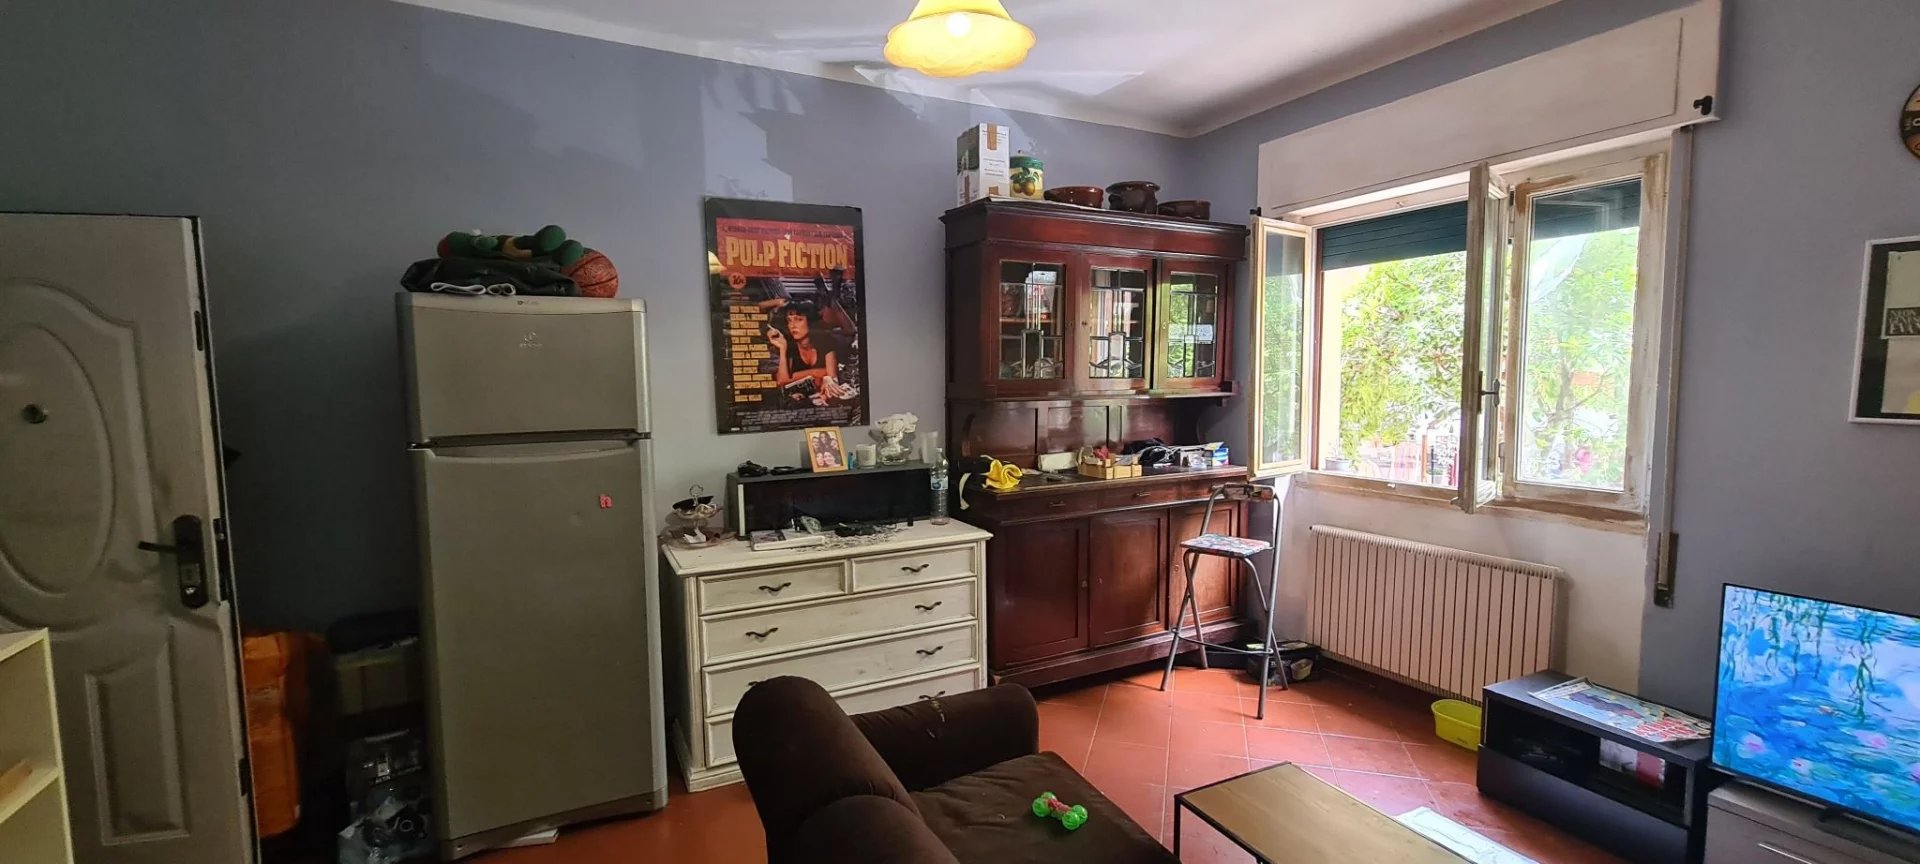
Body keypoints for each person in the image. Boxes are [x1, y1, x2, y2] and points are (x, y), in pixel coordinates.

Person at [769, 301, 852, 400]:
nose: (792, 325)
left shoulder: (825, 340)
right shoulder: (789, 345)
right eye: (789, 320)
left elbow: (832, 378)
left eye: (799, 319)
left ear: (810, 322)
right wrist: (783, 348)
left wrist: (795, 377)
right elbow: (782, 382)